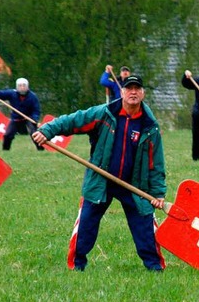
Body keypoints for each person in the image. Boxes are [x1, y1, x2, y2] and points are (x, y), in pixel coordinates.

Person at [32, 75, 167, 272]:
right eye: (129, 88)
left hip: (134, 185)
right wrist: (48, 130)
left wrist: (158, 193)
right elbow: (73, 121)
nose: (133, 92)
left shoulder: (149, 125)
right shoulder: (104, 114)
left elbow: (156, 163)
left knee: (145, 226)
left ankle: (155, 267)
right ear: (121, 92)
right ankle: (77, 265)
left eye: (137, 88)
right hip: (101, 179)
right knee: (86, 224)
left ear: (143, 93)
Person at [0, 78, 43, 151]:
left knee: (35, 134)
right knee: (7, 135)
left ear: (27, 86)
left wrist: (34, 118)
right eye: (20, 86)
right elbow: (1, 94)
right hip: (16, 118)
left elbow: (36, 110)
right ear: (17, 87)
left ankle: (41, 149)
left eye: (24, 86)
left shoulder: (32, 96)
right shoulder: (12, 93)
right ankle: (6, 150)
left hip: (29, 118)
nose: (22, 88)